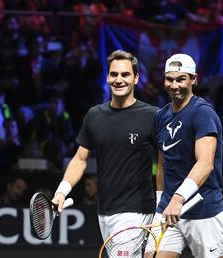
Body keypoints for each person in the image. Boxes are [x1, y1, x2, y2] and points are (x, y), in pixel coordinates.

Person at [52, 50, 159, 244]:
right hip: (104, 211)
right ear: (107, 77)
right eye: (114, 74)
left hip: (135, 210)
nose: (119, 80)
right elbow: (79, 159)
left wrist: (166, 201)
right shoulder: (94, 115)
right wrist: (61, 191)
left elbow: (167, 160)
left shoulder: (153, 116)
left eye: (125, 74)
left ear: (136, 78)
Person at [154, 53, 223, 257]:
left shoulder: (203, 113)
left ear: (194, 79)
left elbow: (205, 164)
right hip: (169, 211)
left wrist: (178, 199)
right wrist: (162, 203)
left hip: (205, 212)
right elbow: (162, 163)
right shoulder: (160, 116)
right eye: (169, 79)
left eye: (180, 79)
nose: (174, 85)